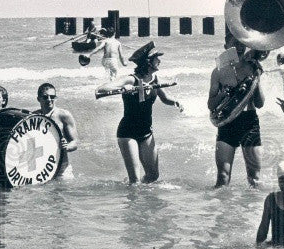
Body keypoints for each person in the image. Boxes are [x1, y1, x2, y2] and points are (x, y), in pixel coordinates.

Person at [99, 41, 183, 185]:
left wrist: (175, 102)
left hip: (146, 132)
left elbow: (164, 98)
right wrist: (125, 87)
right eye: (157, 58)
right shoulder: (131, 79)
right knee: (135, 181)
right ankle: (133, 200)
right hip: (128, 132)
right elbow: (102, 89)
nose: (160, 61)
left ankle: (141, 199)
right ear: (148, 62)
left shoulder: (154, 79)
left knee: (153, 176)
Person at [208, 42, 267, 188]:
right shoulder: (218, 72)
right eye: (234, 44)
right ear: (226, 45)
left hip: (249, 122)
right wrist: (222, 94)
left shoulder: (253, 67)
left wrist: (257, 77)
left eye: (242, 43)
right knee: (222, 176)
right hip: (227, 123)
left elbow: (260, 104)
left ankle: (252, 210)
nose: (239, 47)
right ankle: (221, 210)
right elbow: (210, 104)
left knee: (254, 177)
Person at [33, 82, 79, 179]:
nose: (49, 100)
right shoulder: (33, 117)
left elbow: (75, 142)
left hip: (62, 168)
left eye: (52, 96)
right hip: (41, 169)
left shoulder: (63, 115)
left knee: (66, 193)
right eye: (45, 97)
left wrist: (67, 146)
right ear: (38, 99)